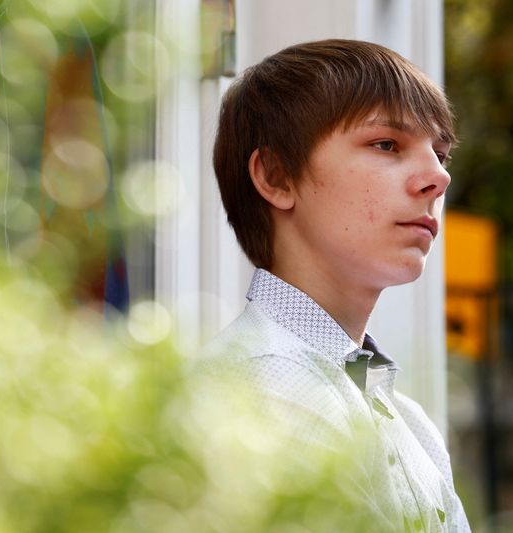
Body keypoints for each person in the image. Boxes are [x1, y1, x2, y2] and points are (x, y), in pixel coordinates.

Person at [203, 39, 471, 532]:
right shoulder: (268, 388)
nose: (438, 177)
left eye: (440, 153)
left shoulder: (409, 422)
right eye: (387, 144)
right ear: (277, 176)